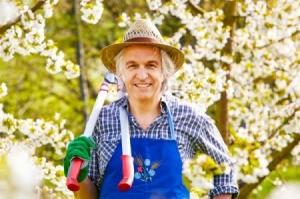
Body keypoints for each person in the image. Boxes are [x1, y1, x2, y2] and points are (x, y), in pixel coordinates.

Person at [64, 19, 239, 199]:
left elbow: (225, 174)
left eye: (151, 65)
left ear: (164, 72)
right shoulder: (101, 120)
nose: (141, 75)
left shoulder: (190, 117)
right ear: (121, 73)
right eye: (132, 65)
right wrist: (79, 177)